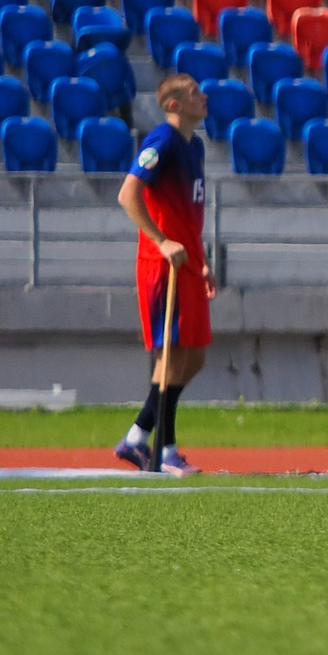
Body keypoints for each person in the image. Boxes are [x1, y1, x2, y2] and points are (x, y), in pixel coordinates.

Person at [115, 74, 213, 475]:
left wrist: (201, 261)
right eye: (194, 93)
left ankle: (138, 435)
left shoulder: (195, 147)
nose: (203, 97)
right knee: (171, 355)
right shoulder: (163, 141)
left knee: (194, 356)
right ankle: (166, 449)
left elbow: (187, 212)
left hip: (187, 263)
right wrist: (161, 241)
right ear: (174, 105)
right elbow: (128, 194)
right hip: (163, 265)